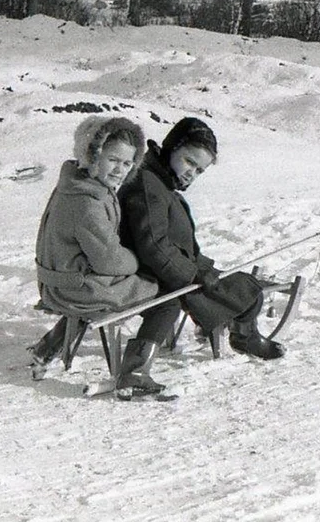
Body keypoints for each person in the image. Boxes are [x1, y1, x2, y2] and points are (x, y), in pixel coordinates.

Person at [118, 116, 285, 365]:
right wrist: (194, 275)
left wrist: (201, 267)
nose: (191, 174)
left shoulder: (160, 181)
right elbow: (154, 246)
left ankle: (243, 334)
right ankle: (244, 337)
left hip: (167, 269)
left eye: (199, 171)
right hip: (155, 275)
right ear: (172, 146)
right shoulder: (149, 186)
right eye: (189, 161)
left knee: (242, 284)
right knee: (243, 288)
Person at [31, 116, 179, 391]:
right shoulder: (88, 203)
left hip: (60, 280)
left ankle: (48, 346)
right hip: (75, 289)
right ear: (92, 154)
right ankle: (134, 373)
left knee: (112, 283)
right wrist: (136, 260)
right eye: (113, 159)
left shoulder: (74, 184)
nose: (120, 169)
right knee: (167, 298)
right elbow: (109, 259)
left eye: (127, 163)